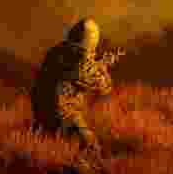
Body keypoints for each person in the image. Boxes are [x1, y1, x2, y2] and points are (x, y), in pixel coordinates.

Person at [30, 18, 113, 153]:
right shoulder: (81, 57)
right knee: (91, 148)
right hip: (64, 115)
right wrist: (103, 68)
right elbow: (103, 87)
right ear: (92, 40)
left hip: (41, 114)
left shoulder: (55, 51)